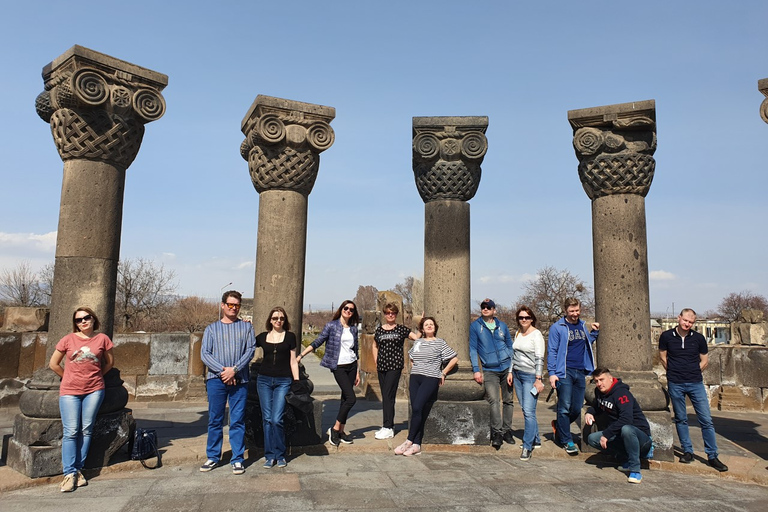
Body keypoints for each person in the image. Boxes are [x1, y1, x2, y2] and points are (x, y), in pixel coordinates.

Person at [49, 307, 114, 493]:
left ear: (94, 319)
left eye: (87, 318)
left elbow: (110, 362)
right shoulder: (68, 339)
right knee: (71, 431)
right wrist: (67, 376)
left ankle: (78, 470)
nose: (83, 322)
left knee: (86, 429)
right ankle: (69, 473)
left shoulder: (102, 339)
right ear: (75, 323)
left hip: (94, 390)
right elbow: (53, 364)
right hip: (70, 390)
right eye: (79, 320)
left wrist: (98, 376)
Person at [659, 308, 728, 472]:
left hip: (695, 383)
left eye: (691, 322)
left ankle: (712, 455)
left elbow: (705, 360)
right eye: (685, 320)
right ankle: (687, 451)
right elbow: (663, 356)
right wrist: (673, 371)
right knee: (681, 418)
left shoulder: (698, 338)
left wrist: (694, 372)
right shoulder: (667, 336)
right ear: (679, 318)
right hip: (675, 382)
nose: (687, 324)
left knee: (706, 419)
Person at [199, 290, 256, 475]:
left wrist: (235, 370)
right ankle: (213, 456)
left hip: (240, 379)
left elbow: (250, 350)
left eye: (236, 305)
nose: (233, 308)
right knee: (215, 419)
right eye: (230, 305)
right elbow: (205, 354)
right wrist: (224, 371)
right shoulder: (211, 329)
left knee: (237, 420)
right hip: (217, 379)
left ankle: (237, 458)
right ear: (223, 305)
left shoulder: (247, 328)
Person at [297, 300, 360, 447]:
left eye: (351, 310)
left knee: (345, 398)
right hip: (338, 366)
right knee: (351, 398)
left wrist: (357, 371)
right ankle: (335, 428)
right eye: (346, 308)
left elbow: (355, 351)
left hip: (351, 365)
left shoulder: (353, 329)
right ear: (341, 309)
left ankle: (341, 431)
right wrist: (301, 355)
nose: (348, 311)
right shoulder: (331, 326)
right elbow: (318, 341)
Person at [395, 317, 458, 456]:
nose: (429, 326)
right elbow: (411, 357)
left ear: (435, 327)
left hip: (431, 377)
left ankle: (409, 440)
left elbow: (454, 358)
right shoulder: (418, 342)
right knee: (417, 409)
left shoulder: (440, 342)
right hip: (416, 377)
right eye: (426, 324)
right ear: (422, 329)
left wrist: (444, 372)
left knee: (418, 407)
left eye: (431, 324)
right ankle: (416, 444)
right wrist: (416, 368)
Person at [547, 297, 599, 454]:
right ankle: (566, 440)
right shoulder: (558, 328)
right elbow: (553, 351)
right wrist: (552, 373)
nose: (575, 314)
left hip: (580, 370)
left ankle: (559, 427)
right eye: (571, 311)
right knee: (564, 407)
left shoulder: (582, 325)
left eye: (577, 310)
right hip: (565, 371)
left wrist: (595, 332)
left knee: (576, 408)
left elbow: (586, 342)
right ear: (565, 311)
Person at [585, 367, 653, 484]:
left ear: (611, 379)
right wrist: (590, 412)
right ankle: (624, 458)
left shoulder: (622, 393)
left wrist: (607, 434)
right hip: (619, 434)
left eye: (602, 380)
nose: (599, 384)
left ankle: (635, 470)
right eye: (596, 381)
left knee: (627, 429)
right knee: (592, 439)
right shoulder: (599, 392)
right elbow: (597, 405)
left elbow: (626, 419)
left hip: (640, 436)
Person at [256, 307, 299, 469]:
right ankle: (269, 455)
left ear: (285, 320)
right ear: (270, 320)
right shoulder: (262, 337)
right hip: (264, 380)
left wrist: (296, 380)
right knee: (267, 419)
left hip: (283, 380)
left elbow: (293, 360)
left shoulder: (290, 337)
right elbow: (246, 346)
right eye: (275, 318)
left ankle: (280, 454)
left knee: (276, 419)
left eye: (281, 318)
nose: (278, 321)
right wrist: (245, 325)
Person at [469, 298, 515, 448]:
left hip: (506, 368)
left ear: (494, 309)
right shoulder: (476, 326)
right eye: (483, 307)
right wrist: (477, 369)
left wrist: (511, 368)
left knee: (508, 401)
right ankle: (497, 432)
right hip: (490, 369)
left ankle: (507, 430)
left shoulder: (502, 325)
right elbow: (473, 348)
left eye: (489, 307)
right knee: (494, 401)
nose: (485, 309)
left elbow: (510, 345)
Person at [372, 302, 419, 440]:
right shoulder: (379, 330)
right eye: (387, 313)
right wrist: (376, 360)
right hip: (382, 366)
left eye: (393, 313)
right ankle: (387, 425)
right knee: (386, 397)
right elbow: (374, 345)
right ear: (384, 314)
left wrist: (421, 324)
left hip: (394, 366)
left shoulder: (401, 329)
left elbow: (417, 338)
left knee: (388, 395)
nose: (390, 315)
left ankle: (388, 427)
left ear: (396, 315)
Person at [506, 306, 545, 461]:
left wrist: (538, 379)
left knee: (529, 411)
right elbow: (513, 355)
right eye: (521, 317)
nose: (524, 320)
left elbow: (540, 358)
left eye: (527, 318)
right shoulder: (518, 333)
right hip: (517, 374)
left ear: (532, 319)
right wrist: (510, 371)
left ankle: (527, 446)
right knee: (525, 409)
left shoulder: (537, 335)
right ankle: (536, 439)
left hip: (530, 376)